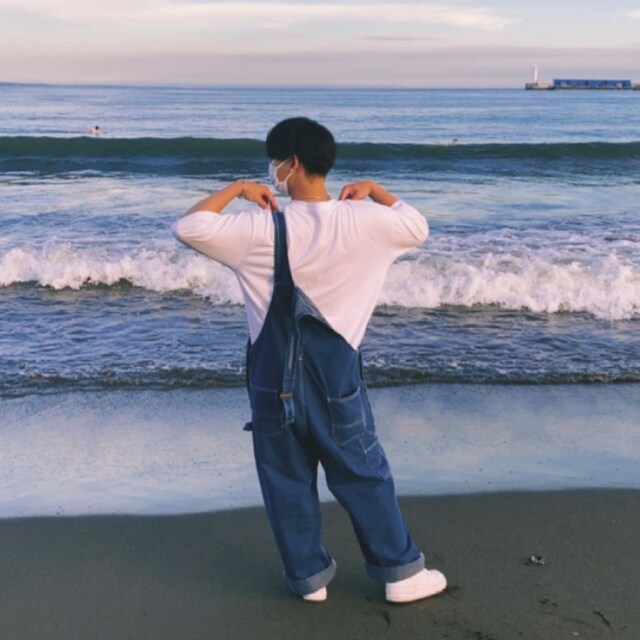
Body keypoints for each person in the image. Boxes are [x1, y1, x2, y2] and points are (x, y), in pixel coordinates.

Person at [172, 117, 446, 603]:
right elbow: (417, 225)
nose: (271, 171)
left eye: (273, 162)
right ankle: (400, 574)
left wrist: (238, 189)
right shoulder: (369, 223)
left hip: (271, 377)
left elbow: (188, 227)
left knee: (285, 477)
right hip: (335, 378)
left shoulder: (259, 228)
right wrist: (375, 191)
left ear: (291, 164)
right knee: (361, 470)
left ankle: (308, 578)